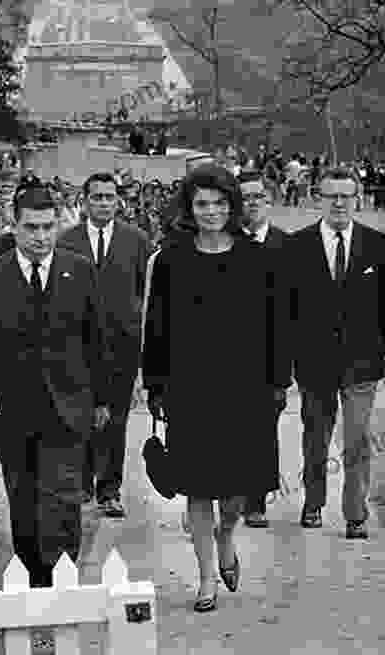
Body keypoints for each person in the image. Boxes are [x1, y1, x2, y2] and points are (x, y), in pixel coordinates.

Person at [142, 164, 292, 612]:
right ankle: (207, 577)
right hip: (189, 388)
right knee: (198, 487)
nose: (211, 212)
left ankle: (227, 535)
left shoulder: (257, 257)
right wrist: (155, 384)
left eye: (220, 204)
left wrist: (278, 381)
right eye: (202, 204)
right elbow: (157, 325)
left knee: (235, 493)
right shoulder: (171, 257)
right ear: (190, 208)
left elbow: (276, 324)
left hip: (246, 388)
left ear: (233, 206)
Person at [0, 185, 111, 587]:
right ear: (14, 227)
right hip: (12, 410)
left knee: (62, 498)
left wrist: (103, 399)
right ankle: (34, 576)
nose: (41, 236)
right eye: (31, 228)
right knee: (23, 499)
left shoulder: (79, 271)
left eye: (48, 227)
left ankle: (62, 577)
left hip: (68, 407)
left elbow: (96, 338)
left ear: (58, 224)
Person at [289, 167, 385, 539]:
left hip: (363, 360)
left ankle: (356, 513)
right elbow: (286, 308)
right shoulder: (298, 245)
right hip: (314, 361)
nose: (339, 203)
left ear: (358, 198)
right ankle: (313, 501)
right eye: (331, 195)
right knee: (315, 438)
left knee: (357, 440)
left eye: (346, 196)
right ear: (317, 198)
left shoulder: (376, 243)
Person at [59, 173, 151, 518]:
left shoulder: (137, 240)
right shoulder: (67, 240)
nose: (102, 203)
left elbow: (146, 290)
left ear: (118, 201)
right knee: (79, 415)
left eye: (109, 197)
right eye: (96, 197)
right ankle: (81, 484)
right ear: (84, 201)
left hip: (121, 346)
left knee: (116, 419)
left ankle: (109, 491)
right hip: (77, 345)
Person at [237, 171, 292, 529]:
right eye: (245, 197)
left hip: (270, 356)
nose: (252, 203)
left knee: (262, 431)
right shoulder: (221, 243)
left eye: (258, 197)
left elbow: (294, 309)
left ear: (269, 202)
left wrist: (284, 368)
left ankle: (256, 501)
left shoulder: (286, 246)